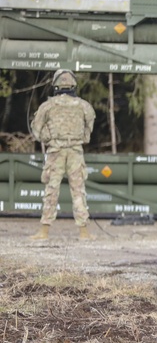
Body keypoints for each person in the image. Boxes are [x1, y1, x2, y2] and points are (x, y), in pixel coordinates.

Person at [29, 69, 97, 241]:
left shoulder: (48, 106)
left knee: (51, 190)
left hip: (55, 152)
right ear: (73, 84)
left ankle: (44, 231)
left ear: (55, 84)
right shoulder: (84, 106)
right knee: (78, 191)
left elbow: (36, 129)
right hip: (75, 152)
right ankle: (84, 232)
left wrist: (48, 137)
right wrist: (81, 138)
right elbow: (89, 128)